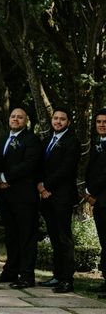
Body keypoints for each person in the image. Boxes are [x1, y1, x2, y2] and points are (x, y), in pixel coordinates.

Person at [0, 108, 42, 288]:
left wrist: (5, 177)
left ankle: (27, 276)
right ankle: (10, 271)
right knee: (11, 236)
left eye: (20, 117)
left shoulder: (31, 140)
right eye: (13, 116)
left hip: (24, 197)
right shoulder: (3, 138)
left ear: (26, 120)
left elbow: (29, 164)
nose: (15, 119)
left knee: (27, 237)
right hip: (6, 196)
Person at [38, 108, 80, 293]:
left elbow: (66, 169)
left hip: (62, 196)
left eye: (62, 119)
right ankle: (57, 275)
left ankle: (67, 280)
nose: (58, 121)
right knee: (54, 237)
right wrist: (40, 185)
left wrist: (46, 185)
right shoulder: (47, 140)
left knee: (64, 239)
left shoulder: (72, 142)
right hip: (46, 197)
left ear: (68, 122)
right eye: (55, 118)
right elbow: (40, 165)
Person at [84, 108, 106, 297]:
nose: (101, 124)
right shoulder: (98, 143)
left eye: (104, 122)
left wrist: (89, 190)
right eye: (98, 121)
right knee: (104, 242)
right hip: (100, 201)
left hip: (103, 198)